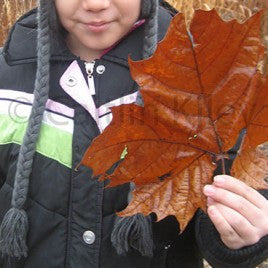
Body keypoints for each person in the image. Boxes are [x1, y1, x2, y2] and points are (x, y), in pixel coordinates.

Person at [0, 0, 267, 267]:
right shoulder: (7, 78)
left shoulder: (201, 81)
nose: (96, 4)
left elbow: (229, 189)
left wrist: (238, 237)